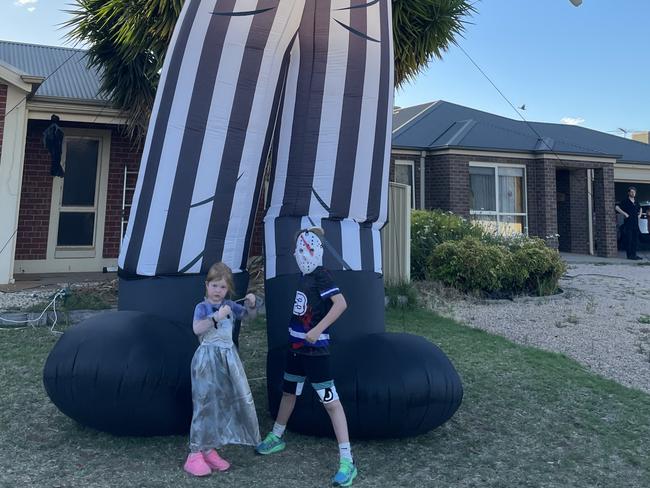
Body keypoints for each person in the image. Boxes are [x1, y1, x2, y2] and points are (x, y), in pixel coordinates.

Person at [255, 228, 357, 487]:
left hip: (315, 353)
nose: (298, 255)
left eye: (303, 250)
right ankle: (277, 435)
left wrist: (317, 329)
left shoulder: (322, 275)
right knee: (290, 392)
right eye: (297, 250)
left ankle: (347, 461)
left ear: (313, 251)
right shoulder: (305, 275)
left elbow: (341, 304)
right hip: (296, 349)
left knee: (331, 402)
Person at [183, 262, 261, 477]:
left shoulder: (230, 305)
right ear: (206, 285)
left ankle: (209, 448)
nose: (218, 291)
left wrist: (252, 303)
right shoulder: (203, 307)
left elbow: (249, 316)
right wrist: (216, 317)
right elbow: (196, 328)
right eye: (214, 286)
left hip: (227, 360)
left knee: (220, 403)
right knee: (204, 403)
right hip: (207, 360)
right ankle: (195, 452)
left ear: (228, 290)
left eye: (223, 287)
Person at [615, 186, 643, 260]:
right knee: (629, 240)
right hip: (628, 224)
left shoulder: (636, 201)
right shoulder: (625, 201)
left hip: (635, 224)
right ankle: (629, 256)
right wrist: (625, 214)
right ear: (628, 193)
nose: (633, 193)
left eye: (634, 192)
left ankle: (634, 255)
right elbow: (617, 207)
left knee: (635, 240)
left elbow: (640, 208)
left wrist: (639, 215)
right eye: (631, 192)